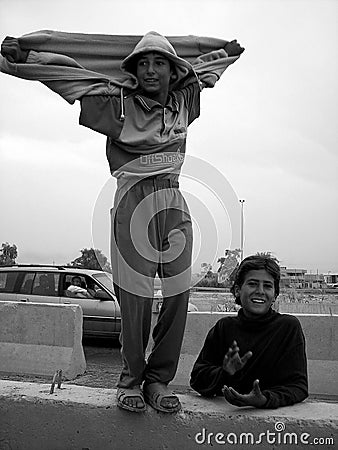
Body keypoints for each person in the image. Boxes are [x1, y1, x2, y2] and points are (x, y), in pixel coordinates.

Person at [1, 30, 244, 413]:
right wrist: (27, 55)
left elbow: (206, 70)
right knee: (136, 300)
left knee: (179, 295)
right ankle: (130, 379)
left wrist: (224, 54)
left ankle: (158, 380)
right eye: (143, 63)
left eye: (159, 62)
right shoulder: (116, 106)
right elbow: (69, 76)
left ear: (171, 69)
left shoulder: (184, 103)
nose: (150, 70)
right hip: (133, 202)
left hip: (175, 203)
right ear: (131, 70)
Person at [190, 255, 308, 409]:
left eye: (267, 286)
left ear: (275, 295)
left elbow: (298, 386)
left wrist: (265, 399)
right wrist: (225, 373)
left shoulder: (288, 328)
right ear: (238, 290)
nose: (260, 291)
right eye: (252, 284)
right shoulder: (224, 328)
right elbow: (197, 380)